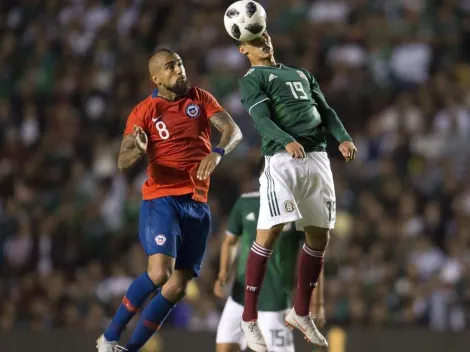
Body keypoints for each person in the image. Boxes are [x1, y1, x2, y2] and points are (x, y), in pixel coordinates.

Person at [96, 47, 242, 352]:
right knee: (160, 273)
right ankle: (109, 337)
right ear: (156, 77)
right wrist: (137, 149)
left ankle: (130, 349)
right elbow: (122, 162)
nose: (179, 69)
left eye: (179, 64)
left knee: (176, 288)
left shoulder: (200, 98)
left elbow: (232, 129)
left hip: (198, 204)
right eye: (170, 66)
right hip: (162, 199)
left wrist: (217, 152)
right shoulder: (143, 112)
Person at [234, 31, 357, 352]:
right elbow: (260, 119)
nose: (263, 42)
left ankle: (301, 312)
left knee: (320, 236)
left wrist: (342, 137)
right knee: (269, 233)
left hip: (317, 157)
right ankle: (248, 317)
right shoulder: (252, 78)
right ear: (243, 48)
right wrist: (286, 139)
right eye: (254, 40)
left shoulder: (301, 73)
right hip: (283, 159)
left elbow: (326, 110)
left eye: (264, 36)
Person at [214, 159, 326, 352]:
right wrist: (223, 272)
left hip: (275, 299)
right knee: (225, 348)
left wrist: (317, 301)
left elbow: (314, 258)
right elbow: (230, 242)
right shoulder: (245, 203)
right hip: (240, 296)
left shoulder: (299, 210)